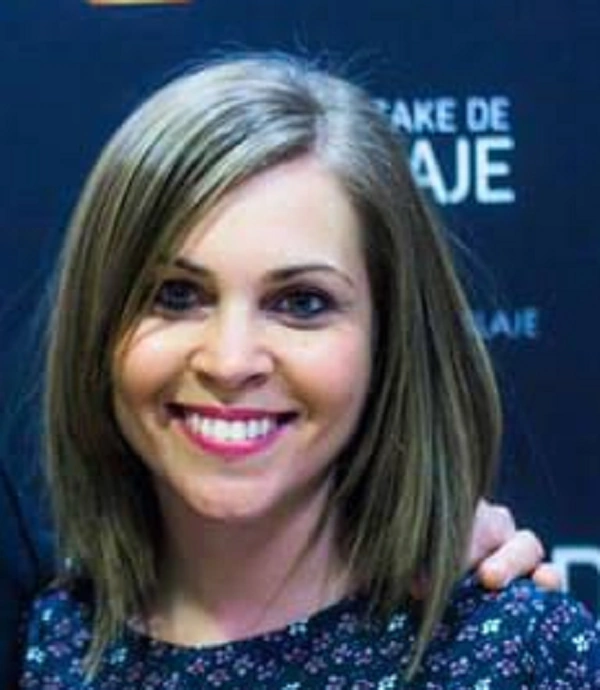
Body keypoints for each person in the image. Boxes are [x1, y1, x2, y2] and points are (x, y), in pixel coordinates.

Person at [18, 54, 598, 688]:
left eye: (301, 303)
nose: (230, 361)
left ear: (390, 338)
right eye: (177, 296)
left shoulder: (517, 653)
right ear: (100, 327)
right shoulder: (43, 642)